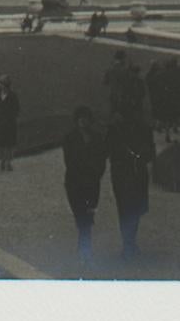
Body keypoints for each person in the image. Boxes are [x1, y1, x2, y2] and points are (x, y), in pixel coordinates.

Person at [105, 101, 155, 257]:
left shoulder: (141, 128)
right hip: (124, 172)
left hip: (134, 172)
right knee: (128, 208)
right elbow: (109, 150)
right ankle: (129, 242)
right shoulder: (115, 130)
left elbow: (150, 151)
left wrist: (140, 156)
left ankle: (129, 241)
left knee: (132, 208)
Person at [61, 106, 109, 267]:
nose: (83, 120)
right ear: (76, 120)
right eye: (80, 117)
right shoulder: (69, 138)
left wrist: (95, 174)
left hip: (92, 184)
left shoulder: (97, 138)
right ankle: (84, 248)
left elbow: (102, 159)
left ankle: (84, 247)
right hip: (75, 183)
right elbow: (70, 161)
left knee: (87, 217)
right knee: (81, 216)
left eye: (85, 117)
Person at [0, 74, 21, 172]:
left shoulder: (12, 96)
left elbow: (16, 109)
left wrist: (9, 115)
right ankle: (2, 160)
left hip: (9, 122)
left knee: (9, 144)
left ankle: (8, 162)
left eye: (1, 84)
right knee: (0, 143)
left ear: (5, 86)